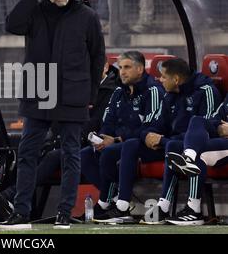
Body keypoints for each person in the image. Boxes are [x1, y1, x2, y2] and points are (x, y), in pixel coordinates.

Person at [0, 0, 106, 230]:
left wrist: (89, 96)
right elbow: (12, 25)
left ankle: (64, 213)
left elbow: (97, 57)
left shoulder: (87, 16)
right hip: (38, 92)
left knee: (70, 154)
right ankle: (21, 212)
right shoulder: (35, 10)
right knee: (27, 153)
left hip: (72, 95)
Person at [0, 58, 118, 221]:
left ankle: (11, 197)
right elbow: (59, 118)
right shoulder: (79, 88)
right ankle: (14, 202)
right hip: (67, 138)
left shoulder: (111, 91)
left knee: (56, 155)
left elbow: (97, 121)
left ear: (105, 68)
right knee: (28, 152)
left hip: (90, 141)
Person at [80, 51, 164, 224]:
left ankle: (121, 206)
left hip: (147, 145)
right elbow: (108, 120)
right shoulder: (118, 91)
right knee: (86, 155)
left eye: (127, 67)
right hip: (120, 143)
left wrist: (117, 139)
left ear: (140, 69)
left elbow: (150, 128)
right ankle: (110, 201)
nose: (122, 72)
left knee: (116, 150)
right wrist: (103, 137)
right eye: (120, 68)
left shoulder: (153, 90)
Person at [140, 58, 221, 224]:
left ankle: (194, 210)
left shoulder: (206, 91)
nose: (159, 80)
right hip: (177, 142)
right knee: (134, 146)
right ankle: (162, 206)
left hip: (208, 145)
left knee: (195, 125)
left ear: (176, 79)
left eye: (163, 77)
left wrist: (163, 140)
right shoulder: (170, 95)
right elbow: (157, 123)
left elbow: (209, 127)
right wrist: (148, 135)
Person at [161, 94, 228, 225]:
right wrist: (220, 127)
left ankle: (193, 210)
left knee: (199, 151)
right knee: (196, 121)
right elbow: (214, 119)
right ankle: (163, 205)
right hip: (221, 139)